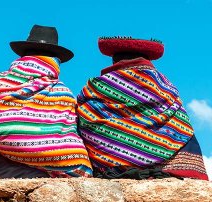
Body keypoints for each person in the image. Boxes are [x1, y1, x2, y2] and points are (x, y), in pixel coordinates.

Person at [0, 25, 92, 178]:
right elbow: (71, 140)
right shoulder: (61, 92)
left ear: (24, 56)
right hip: (41, 179)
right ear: (54, 60)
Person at [76, 36, 208, 180]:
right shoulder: (165, 89)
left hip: (110, 174)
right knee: (180, 123)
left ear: (114, 61)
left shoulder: (95, 90)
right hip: (170, 176)